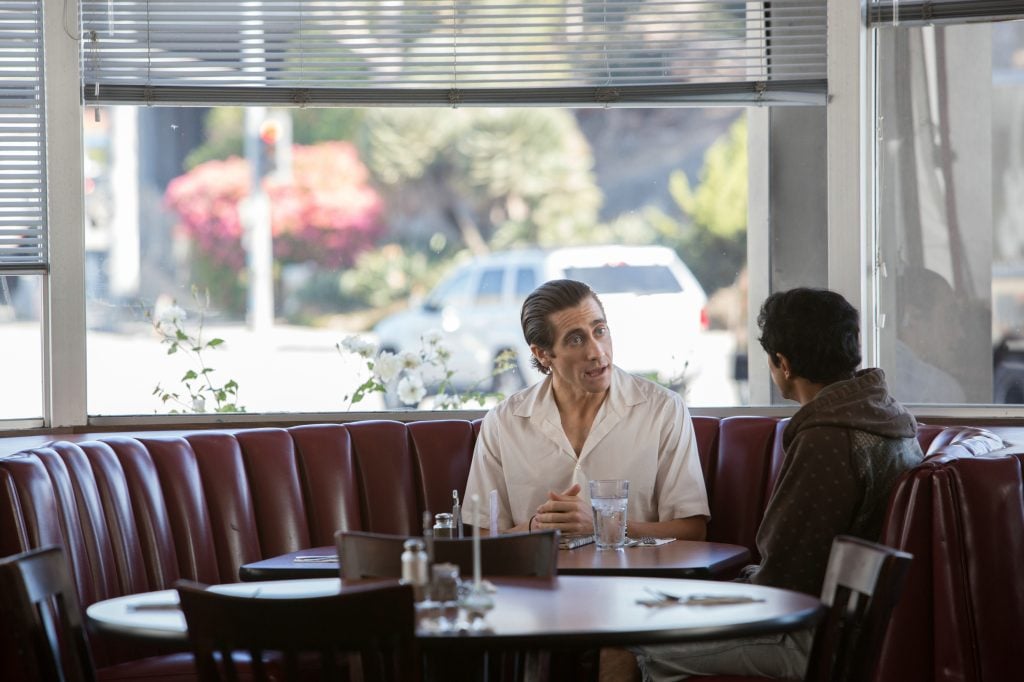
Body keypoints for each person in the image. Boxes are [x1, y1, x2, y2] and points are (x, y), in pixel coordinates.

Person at [634, 287, 925, 681]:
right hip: (855, 628)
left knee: (636, 641)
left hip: (812, 636)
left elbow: (785, 578)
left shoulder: (827, 439)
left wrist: (720, 593)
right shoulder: (886, 418)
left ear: (782, 363)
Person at [462, 278, 709, 541]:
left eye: (600, 330)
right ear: (542, 354)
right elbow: (481, 537)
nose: (596, 352)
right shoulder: (502, 423)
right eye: (576, 339)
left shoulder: (664, 410)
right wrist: (536, 528)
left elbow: (692, 531)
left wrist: (605, 524)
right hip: (539, 569)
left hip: (634, 569)